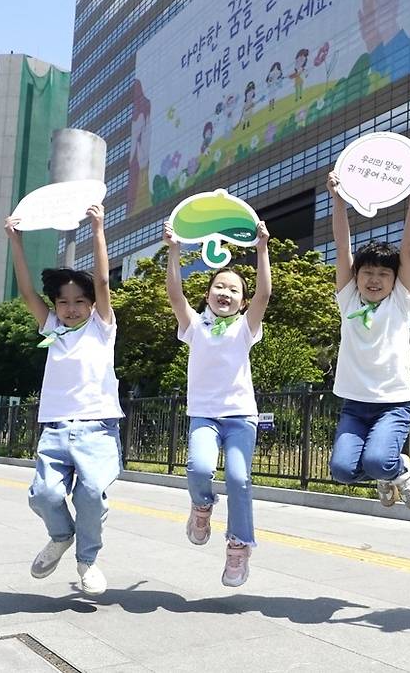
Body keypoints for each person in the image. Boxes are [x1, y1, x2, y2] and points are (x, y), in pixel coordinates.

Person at [4, 205, 123, 596]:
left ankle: (88, 558)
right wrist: (16, 242)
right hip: (55, 429)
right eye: (63, 302)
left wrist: (99, 228)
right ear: (55, 306)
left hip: (98, 427)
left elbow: (104, 281)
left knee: (90, 493)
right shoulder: (52, 327)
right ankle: (61, 535)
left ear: (91, 304)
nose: (71, 309)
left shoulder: (103, 328)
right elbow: (25, 291)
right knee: (44, 495)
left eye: (79, 302)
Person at [163, 220, 271, 586]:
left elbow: (265, 296)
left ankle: (239, 547)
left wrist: (261, 248)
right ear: (208, 294)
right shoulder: (195, 325)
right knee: (198, 468)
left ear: (242, 300)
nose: (225, 292)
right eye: (218, 286)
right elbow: (175, 295)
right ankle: (202, 508)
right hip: (205, 416)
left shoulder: (245, 328)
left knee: (239, 478)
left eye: (234, 289)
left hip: (241, 417)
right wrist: (174, 249)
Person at [327, 166, 410, 508]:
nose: (374, 279)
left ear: (393, 278)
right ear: (356, 277)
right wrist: (338, 200)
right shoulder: (348, 300)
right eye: (367, 272)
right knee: (341, 470)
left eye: (383, 273)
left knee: (376, 461)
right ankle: (386, 474)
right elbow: (343, 248)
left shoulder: (400, 301)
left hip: (393, 404)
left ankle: (393, 468)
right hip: (355, 405)